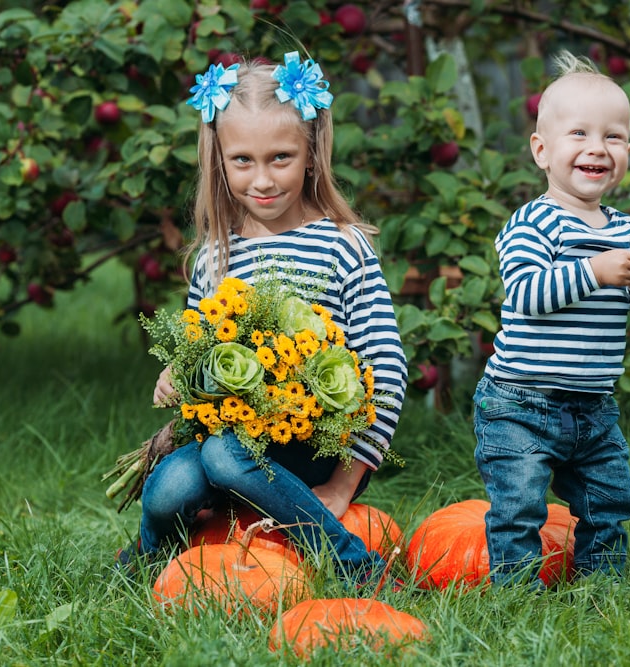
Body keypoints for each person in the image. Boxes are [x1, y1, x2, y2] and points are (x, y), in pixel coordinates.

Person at [115, 51, 407, 587]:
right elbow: (199, 354)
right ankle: (149, 561)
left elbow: (386, 370)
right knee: (167, 490)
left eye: (280, 158)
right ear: (219, 162)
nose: (263, 178)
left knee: (225, 455)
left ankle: (352, 562)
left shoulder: (342, 247)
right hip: (229, 445)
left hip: (315, 448)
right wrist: (179, 377)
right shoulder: (216, 256)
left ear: (311, 155)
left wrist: (344, 486)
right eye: (243, 160)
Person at [472, 51, 630, 587]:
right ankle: (514, 593)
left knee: (610, 502)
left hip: (593, 406)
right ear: (542, 150)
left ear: (627, 152)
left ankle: (603, 589)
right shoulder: (533, 223)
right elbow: (526, 293)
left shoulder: (629, 232)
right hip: (520, 402)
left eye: (613, 137)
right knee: (519, 508)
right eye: (579, 134)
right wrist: (594, 271)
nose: (596, 148)